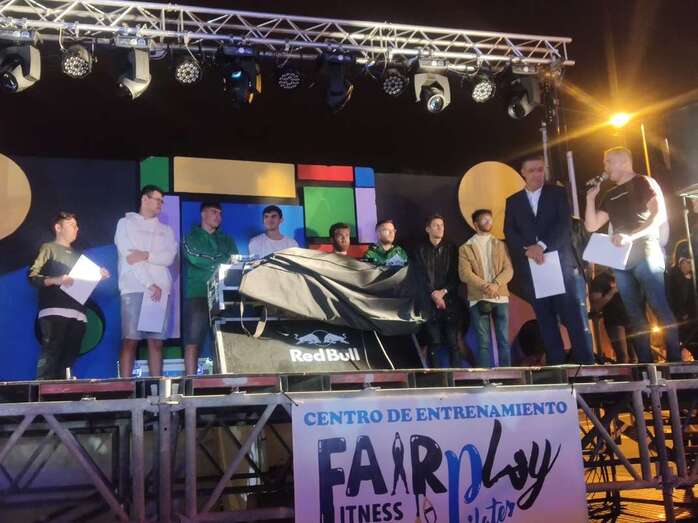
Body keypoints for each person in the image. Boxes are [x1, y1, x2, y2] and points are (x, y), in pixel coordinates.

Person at [585, 146, 681, 362]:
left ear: (623, 162)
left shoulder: (643, 182)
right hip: (622, 259)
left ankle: (675, 361)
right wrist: (590, 199)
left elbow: (658, 215)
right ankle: (645, 364)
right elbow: (591, 225)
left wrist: (631, 235)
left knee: (658, 305)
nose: (605, 167)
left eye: (608, 161)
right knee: (633, 313)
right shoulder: (610, 194)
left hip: (646, 250)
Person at [504, 154, 594, 365]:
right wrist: (527, 250)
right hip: (533, 269)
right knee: (545, 322)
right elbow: (509, 231)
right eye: (532, 170)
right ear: (523, 173)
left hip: (561, 266)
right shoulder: (513, 201)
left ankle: (586, 367)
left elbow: (564, 224)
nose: (537, 174)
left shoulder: (557, 194)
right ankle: (557, 368)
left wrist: (542, 246)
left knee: (574, 319)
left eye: (540, 169)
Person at [28, 212, 110, 379]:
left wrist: (98, 276)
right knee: (51, 354)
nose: (76, 229)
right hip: (54, 310)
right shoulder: (48, 248)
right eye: (71, 225)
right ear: (58, 228)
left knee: (69, 358)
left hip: (77, 313)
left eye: (77, 226)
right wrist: (56, 280)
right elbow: (32, 276)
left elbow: (84, 284)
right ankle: (43, 390)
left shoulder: (79, 255)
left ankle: (63, 390)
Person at [115, 185, 177, 378]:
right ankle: (125, 389)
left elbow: (169, 257)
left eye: (162, 201)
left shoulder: (166, 230)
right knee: (130, 340)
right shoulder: (125, 223)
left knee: (156, 342)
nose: (161, 204)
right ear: (144, 199)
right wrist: (149, 284)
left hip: (160, 290)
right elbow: (130, 257)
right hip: (134, 288)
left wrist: (146, 255)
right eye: (157, 200)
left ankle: (157, 388)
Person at [182, 202, 237, 375]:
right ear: (203, 214)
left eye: (220, 213)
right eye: (214, 212)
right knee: (192, 340)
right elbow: (193, 257)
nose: (218, 216)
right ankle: (190, 381)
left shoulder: (227, 239)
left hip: (223, 295)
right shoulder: (189, 237)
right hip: (197, 294)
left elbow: (234, 261)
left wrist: (213, 260)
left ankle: (225, 380)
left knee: (224, 340)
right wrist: (218, 260)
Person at [459, 209, 513, 368]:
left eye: (490, 219)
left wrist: (496, 284)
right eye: (484, 219)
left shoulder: (500, 245)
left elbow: (509, 269)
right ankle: (486, 376)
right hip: (478, 297)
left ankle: (507, 374)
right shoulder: (466, 247)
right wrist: (485, 286)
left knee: (503, 339)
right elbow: (464, 274)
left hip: (500, 296)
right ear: (476, 224)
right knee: (483, 342)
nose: (489, 222)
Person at [413, 214, 460, 367]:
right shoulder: (419, 250)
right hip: (428, 303)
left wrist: (443, 292)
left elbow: (456, 276)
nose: (440, 228)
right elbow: (418, 276)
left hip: (449, 301)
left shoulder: (452, 249)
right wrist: (433, 294)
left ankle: (456, 376)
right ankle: (435, 376)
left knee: (453, 342)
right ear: (428, 229)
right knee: (433, 342)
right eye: (436, 225)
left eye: (442, 225)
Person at [589, 268, 634, 363]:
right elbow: (595, 307)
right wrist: (612, 292)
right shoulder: (600, 280)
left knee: (635, 357)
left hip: (633, 317)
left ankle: (638, 372)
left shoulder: (629, 274)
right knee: (623, 356)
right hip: (615, 320)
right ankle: (624, 373)